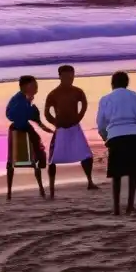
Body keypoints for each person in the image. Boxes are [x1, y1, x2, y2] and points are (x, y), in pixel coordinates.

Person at [96, 71, 136, 216]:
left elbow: (101, 123)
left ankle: (116, 208)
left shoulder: (105, 99)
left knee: (116, 175)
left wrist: (106, 137)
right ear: (127, 84)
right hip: (134, 134)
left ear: (112, 84)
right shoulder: (133, 96)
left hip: (115, 135)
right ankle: (130, 206)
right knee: (133, 173)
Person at [44, 65, 97, 198]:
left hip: (74, 126)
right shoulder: (53, 93)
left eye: (71, 76)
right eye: (66, 76)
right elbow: (46, 113)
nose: (69, 79)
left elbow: (84, 104)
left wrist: (79, 117)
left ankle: (90, 181)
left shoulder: (77, 91)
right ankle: (51, 188)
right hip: (61, 128)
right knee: (52, 158)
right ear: (60, 77)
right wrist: (55, 122)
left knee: (86, 155)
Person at [5, 75, 52, 199]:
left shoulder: (24, 99)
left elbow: (34, 119)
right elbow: (13, 115)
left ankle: (39, 188)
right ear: (26, 86)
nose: (36, 87)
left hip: (22, 127)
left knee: (17, 161)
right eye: (34, 85)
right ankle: (11, 191)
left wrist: (46, 128)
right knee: (19, 159)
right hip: (19, 128)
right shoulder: (19, 100)